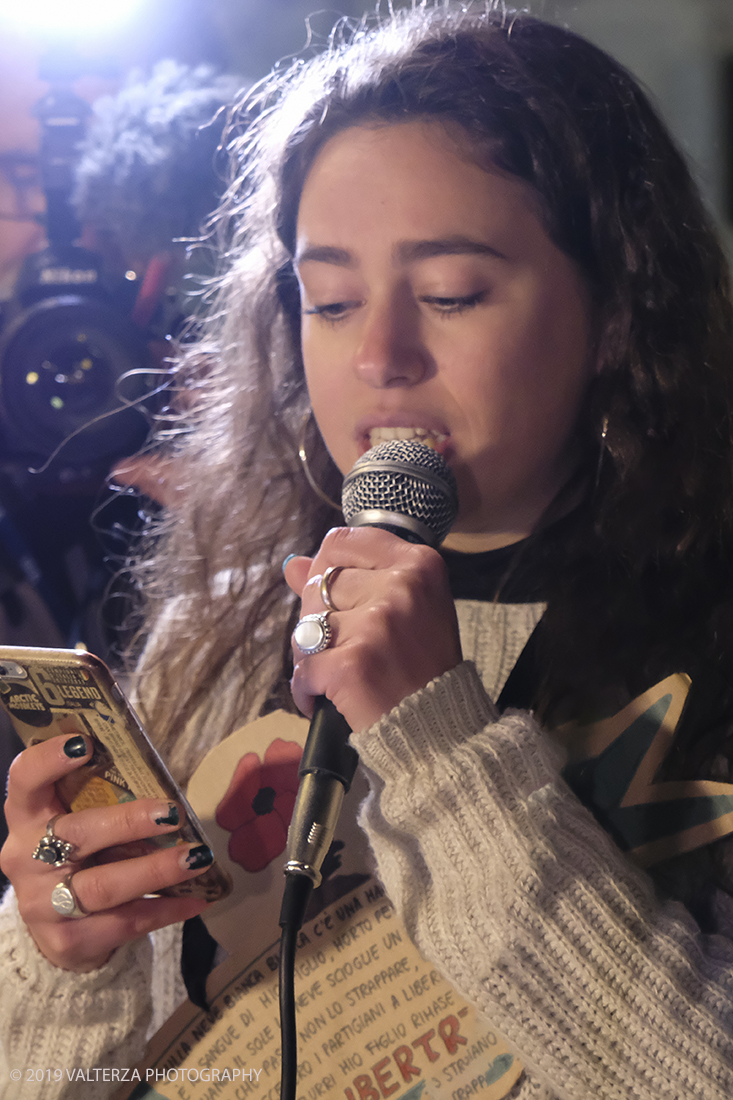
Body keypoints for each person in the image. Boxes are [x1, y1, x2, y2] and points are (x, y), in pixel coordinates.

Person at [3, 4, 733, 1097]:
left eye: (450, 293)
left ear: (616, 310)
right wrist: (66, 956)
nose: (381, 355)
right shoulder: (224, 622)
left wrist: (438, 745)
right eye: (330, 299)